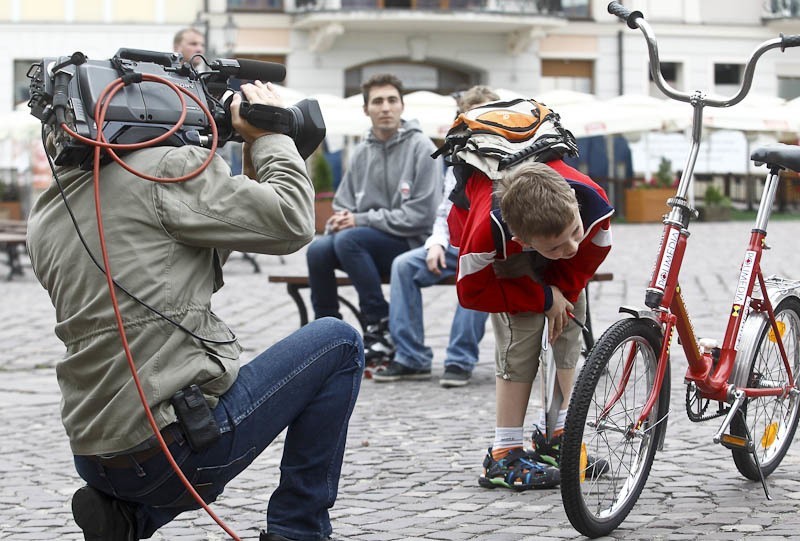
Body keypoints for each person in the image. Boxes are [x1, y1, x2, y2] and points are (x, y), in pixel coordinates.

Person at [27, 80, 363, 541]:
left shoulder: (50, 209)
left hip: (96, 454)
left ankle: (130, 519)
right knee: (338, 341)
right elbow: (292, 222)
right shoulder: (162, 169)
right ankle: (298, 530)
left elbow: (194, 250)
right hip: (172, 454)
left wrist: (254, 162)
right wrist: (270, 136)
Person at [450, 159, 613, 490]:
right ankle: (504, 452)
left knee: (570, 315)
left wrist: (559, 296)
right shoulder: (489, 230)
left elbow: (587, 256)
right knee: (520, 329)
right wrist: (540, 297)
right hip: (500, 248)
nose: (571, 247)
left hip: (544, 224)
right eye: (557, 246)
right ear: (523, 239)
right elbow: (472, 292)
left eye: (575, 234)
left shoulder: (593, 204)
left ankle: (556, 434)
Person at [305, 73, 442, 368]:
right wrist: (339, 221)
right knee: (317, 250)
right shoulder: (361, 152)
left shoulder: (423, 147)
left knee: (349, 238)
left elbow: (421, 216)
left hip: (411, 243)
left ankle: (378, 324)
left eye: (392, 100)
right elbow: (343, 204)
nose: (385, 107)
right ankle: (327, 334)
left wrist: (359, 220)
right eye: (377, 101)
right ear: (366, 110)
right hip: (362, 247)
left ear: (402, 106)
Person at [373, 85, 500, 386]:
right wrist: (436, 244)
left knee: (478, 269)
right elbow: (444, 212)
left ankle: (459, 359)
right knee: (404, 266)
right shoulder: (458, 160)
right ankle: (411, 358)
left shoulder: (511, 155)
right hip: (456, 244)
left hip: (494, 248)